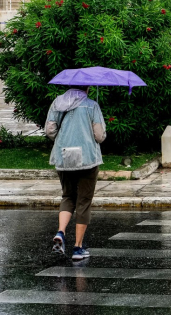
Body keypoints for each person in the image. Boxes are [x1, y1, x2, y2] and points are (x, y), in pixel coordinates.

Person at [44, 86, 106, 260]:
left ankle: (61, 232)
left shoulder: (57, 102)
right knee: (84, 201)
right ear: (86, 88)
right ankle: (78, 248)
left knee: (68, 196)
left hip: (64, 156)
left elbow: (49, 130)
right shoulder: (92, 105)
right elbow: (99, 136)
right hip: (87, 158)